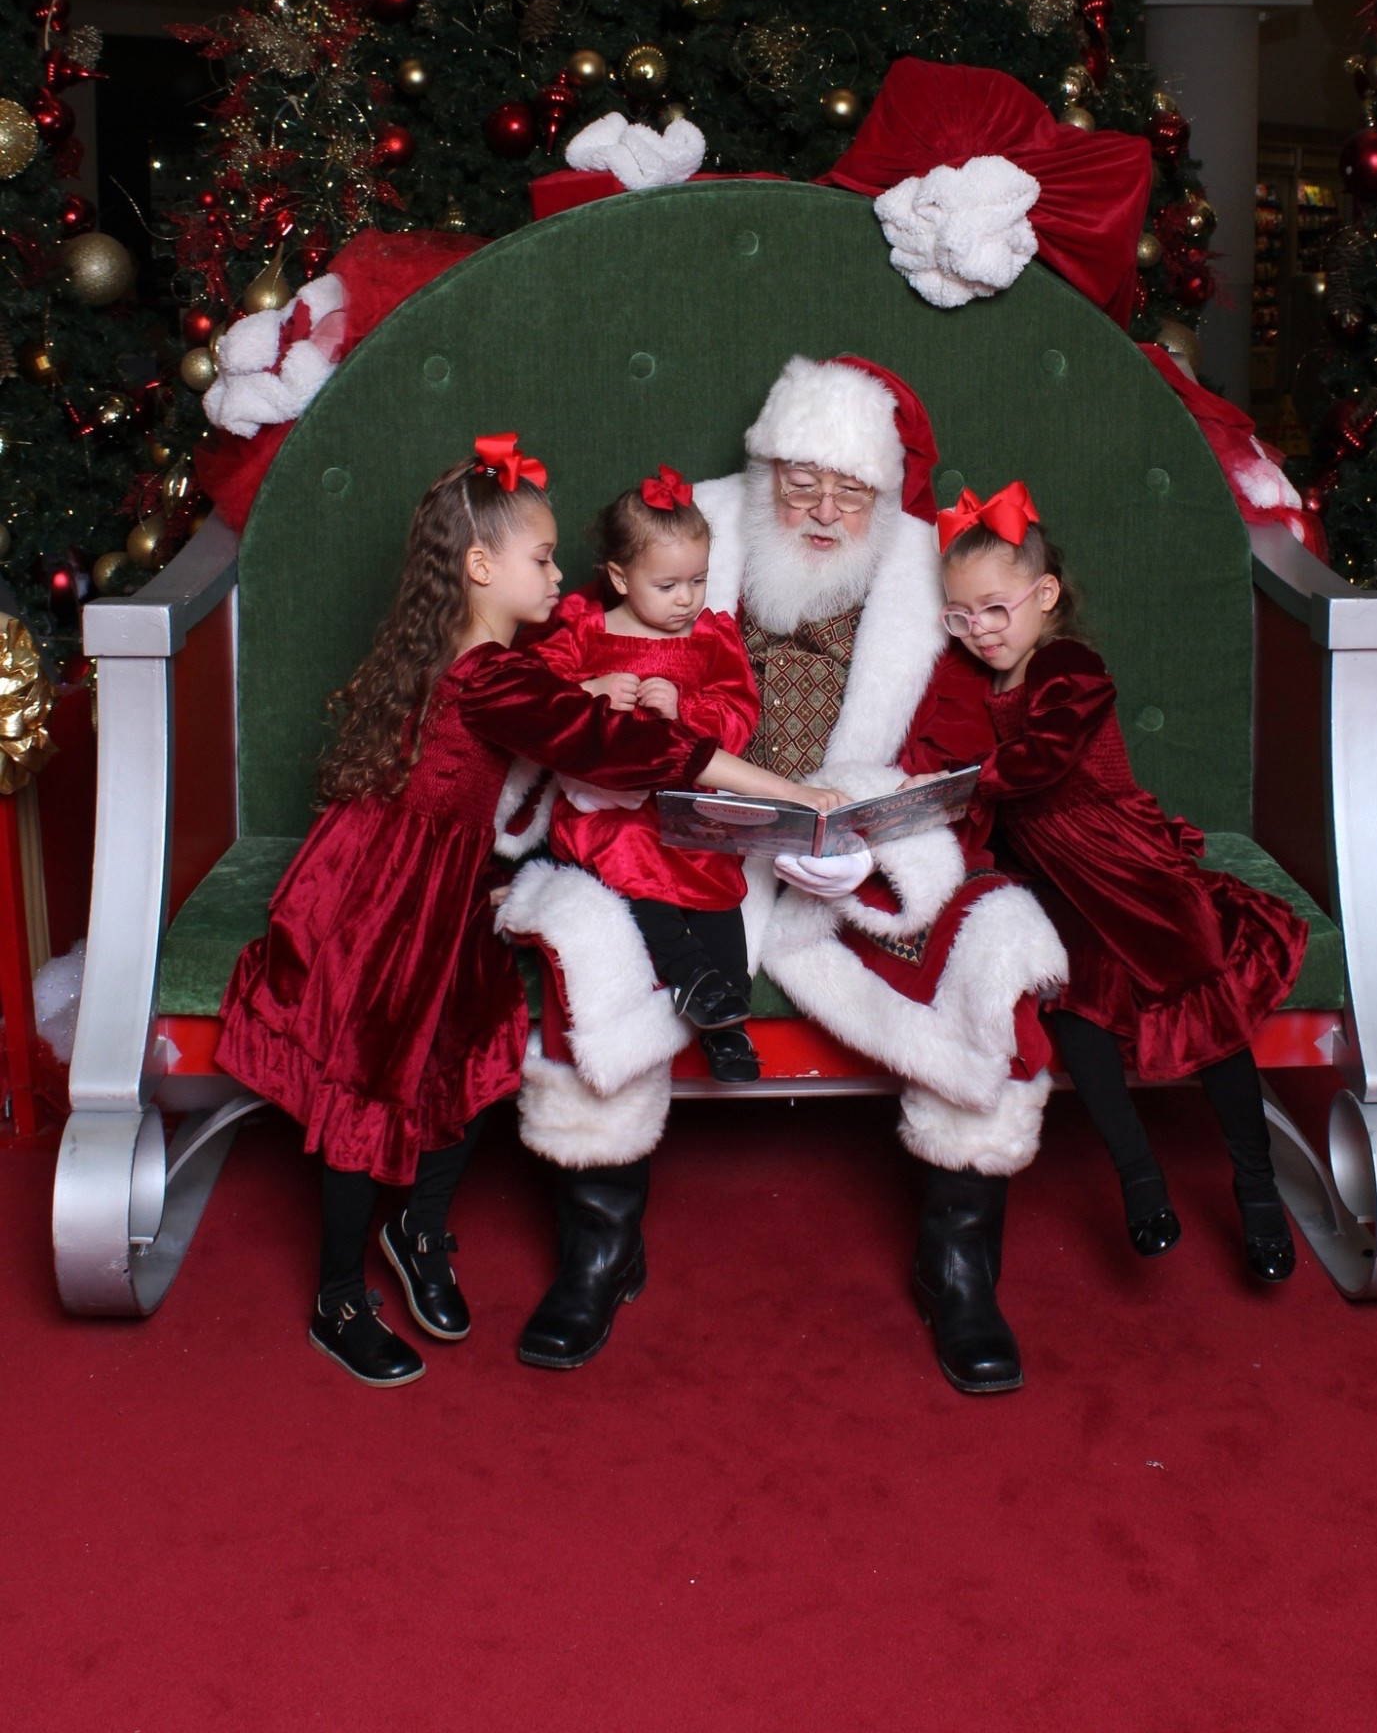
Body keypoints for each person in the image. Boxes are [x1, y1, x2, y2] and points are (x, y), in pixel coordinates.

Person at [215, 434, 843, 1388]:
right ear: (479, 567)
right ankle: (338, 1295)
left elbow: (532, 718)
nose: (559, 575)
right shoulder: (494, 677)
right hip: (384, 895)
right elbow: (631, 751)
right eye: (541, 559)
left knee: (474, 1043)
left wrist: (584, 687)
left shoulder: (480, 659)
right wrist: (795, 797)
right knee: (370, 1075)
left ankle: (418, 1230)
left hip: (438, 880)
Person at [499, 357, 1068, 1392]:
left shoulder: (916, 577)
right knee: (586, 936)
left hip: (842, 861)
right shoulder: (686, 540)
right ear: (763, 471)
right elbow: (567, 680)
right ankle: (599, 1242)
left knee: (990, 942)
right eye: (799, 480)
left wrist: (873, 812)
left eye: (847, 489)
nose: (819, 508)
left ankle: (957, 1263)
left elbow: (960, 737)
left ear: (882, 495)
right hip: (678, 841)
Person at [929, 481, 1307, 1281]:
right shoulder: (977, 685)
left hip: (1122, 862)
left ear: (1044, 595)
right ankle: (1139, 1180)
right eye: (959, 616)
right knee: (1073, 1008)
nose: (979, 632)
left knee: (1203, 1004)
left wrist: (967, 783)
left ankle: (1257, 1189)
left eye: (994, 610)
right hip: (1055, 884)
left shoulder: (1067, 664)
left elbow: (1045, 757)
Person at [534, 467, 763, 1084]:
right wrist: (591, 689)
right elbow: (531, 699)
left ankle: (729, 1022)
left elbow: (741, 717)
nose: (686, 599)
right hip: (607, 809)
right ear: (618, 577)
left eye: (698, 581)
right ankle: (691, 975)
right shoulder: (587, 630)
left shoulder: (712, 638)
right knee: (630, 852)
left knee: (718, 881)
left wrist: (686, 709)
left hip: (688, 804)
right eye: (667, 585)